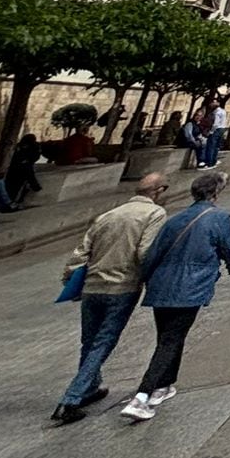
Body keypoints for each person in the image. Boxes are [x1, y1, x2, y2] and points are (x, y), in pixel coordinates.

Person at [118, 170, 230, 422]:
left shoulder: (175, 219)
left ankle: (164, 385)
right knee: (170, 340)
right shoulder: (219, 217)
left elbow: (152, 255)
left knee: (168, 335)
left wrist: (146, 280)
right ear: (216, 192)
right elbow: (229, 247)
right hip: (190, 287)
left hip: (162, 286)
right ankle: (142, 396)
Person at [52, 173, 171, 423]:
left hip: (92, 287)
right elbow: (145, 252)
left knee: (89, 341)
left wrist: (70, 283)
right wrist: (152, 279)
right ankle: (71, 399)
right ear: (158, 191)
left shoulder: (108, 215)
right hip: (122, 287)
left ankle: (90, 387)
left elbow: (79, 254)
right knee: (103, 342)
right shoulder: (155, 214)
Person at [7, 132, 43, 205]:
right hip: (18, 167)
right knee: (17, 182)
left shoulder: (34, 146)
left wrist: (27, 160)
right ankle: (34, 185)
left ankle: (33, 185)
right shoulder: (19, 146)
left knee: (18, 181)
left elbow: (35, 156)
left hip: (21, 167)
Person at [205, 99, 229, 168]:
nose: (211, 104)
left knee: (211, 146)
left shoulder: (217, 112)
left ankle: (209, 163)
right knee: (216, 146)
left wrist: (211, 131)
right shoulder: (223, 111)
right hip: (222, 128)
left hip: (217, 129)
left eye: (213, 103)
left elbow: (215, 123)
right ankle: (214, 161)